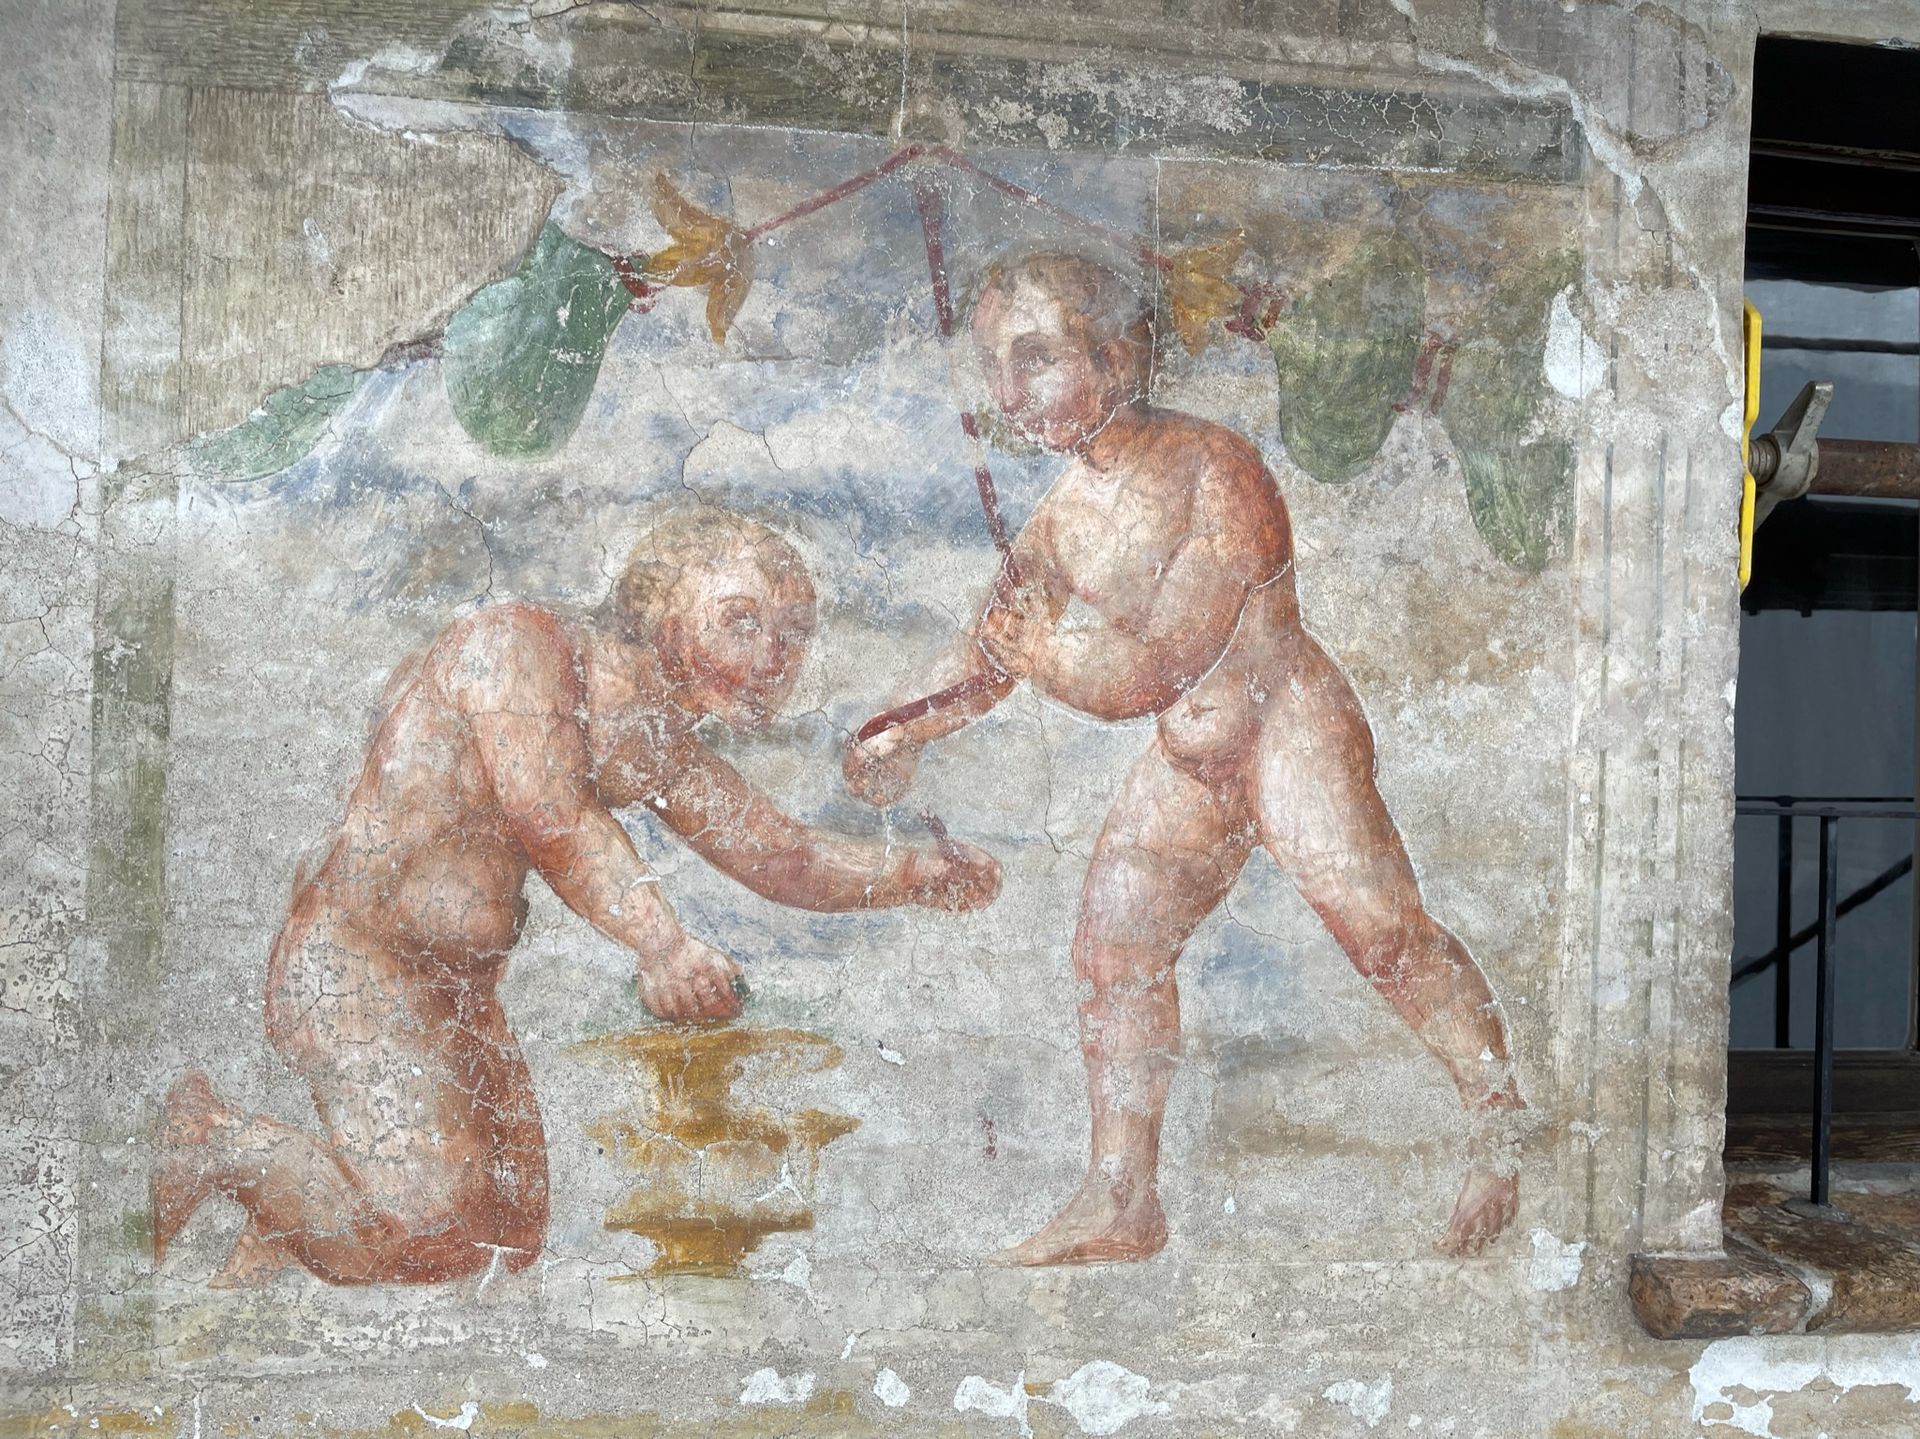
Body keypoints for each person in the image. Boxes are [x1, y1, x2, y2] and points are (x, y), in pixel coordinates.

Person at [845, 252, 1523, 1265]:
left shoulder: (1216, 469)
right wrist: (902, 724)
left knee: (1383, 931)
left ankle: (1500, 1124)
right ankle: (1123, 1199)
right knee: (1114, 948)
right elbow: (988, 653)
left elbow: (1162, 662)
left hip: (1285, 726)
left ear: (1115, 359)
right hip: (1193, 754)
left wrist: (1048, 653)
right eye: (995, 365)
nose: (1007, 392)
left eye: (1034, 358)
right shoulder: (1065, 511)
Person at [153, 510, 999, 1286]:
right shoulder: (517, 650)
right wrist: (662, 943)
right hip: (360, 965)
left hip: (459, 988)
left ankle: (271, 1229)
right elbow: (555, 817)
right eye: (741, 619)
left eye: (794, 630)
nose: (775, 653)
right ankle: (212, 1138)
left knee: (506, 1238)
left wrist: (919, 873)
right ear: (660, 608)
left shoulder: (655, 740)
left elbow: (782, 854)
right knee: (430, 1233)